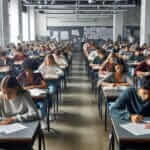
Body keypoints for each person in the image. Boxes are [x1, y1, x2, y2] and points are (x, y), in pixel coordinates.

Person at [17, 59, 48, 129]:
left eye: (30, 70)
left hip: (38, 97)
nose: (28, 72)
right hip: (26, 98)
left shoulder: (38, 74)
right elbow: (16, 86)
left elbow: (45, 85)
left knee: (43, 104)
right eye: (27, 70)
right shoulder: (21, 75)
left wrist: (33, 86)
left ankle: (42, 119)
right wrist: (24, 88)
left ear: (33, 69)